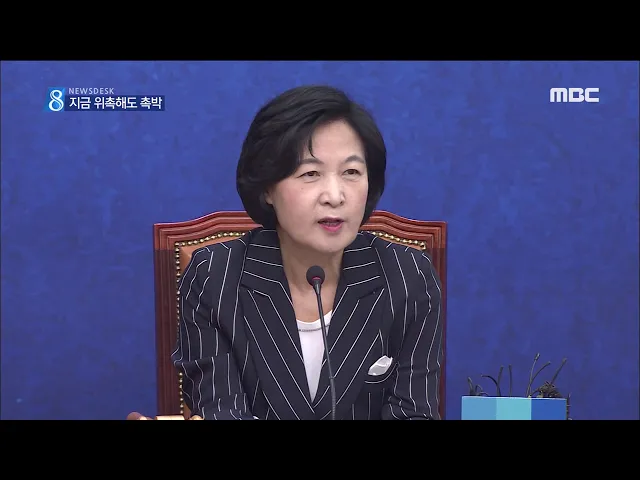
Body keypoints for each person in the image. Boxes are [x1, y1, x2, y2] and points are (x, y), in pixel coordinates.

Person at [131, 84, 444, 420]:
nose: (335, 196)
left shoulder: (409, 277)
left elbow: (414, 412)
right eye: (310, 173)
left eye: (351, 172)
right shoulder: (216, 278)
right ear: (267, 188)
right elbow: (223, 411)